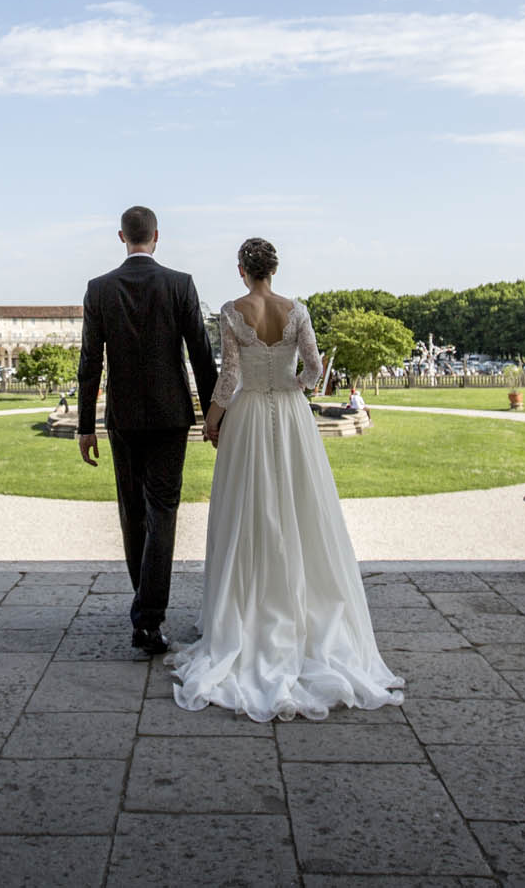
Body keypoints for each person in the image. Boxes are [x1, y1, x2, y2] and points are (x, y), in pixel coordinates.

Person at [170, 237, 404, 722]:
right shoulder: (296, 310)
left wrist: (212, 418)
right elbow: (315, 369)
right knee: (301, 510)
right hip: (292, 416)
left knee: (247, 513)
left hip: (250, 416)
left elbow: (229, 377)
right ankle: (302, 612)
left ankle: (247, 612)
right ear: (274, 269)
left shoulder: (234, 312)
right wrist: (293, 388)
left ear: (241, 270)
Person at [77, 205, 218, 656]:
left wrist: (85, 424)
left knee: (132, 511)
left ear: (122, 237)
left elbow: (89, 364)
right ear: (157, 236)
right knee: (164, 511)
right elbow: (200, 352)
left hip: (123, 417)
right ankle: (148, 617)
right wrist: (217, 411)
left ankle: (146, 608)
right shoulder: (180, 284)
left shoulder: (99, 289)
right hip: (170, 414)